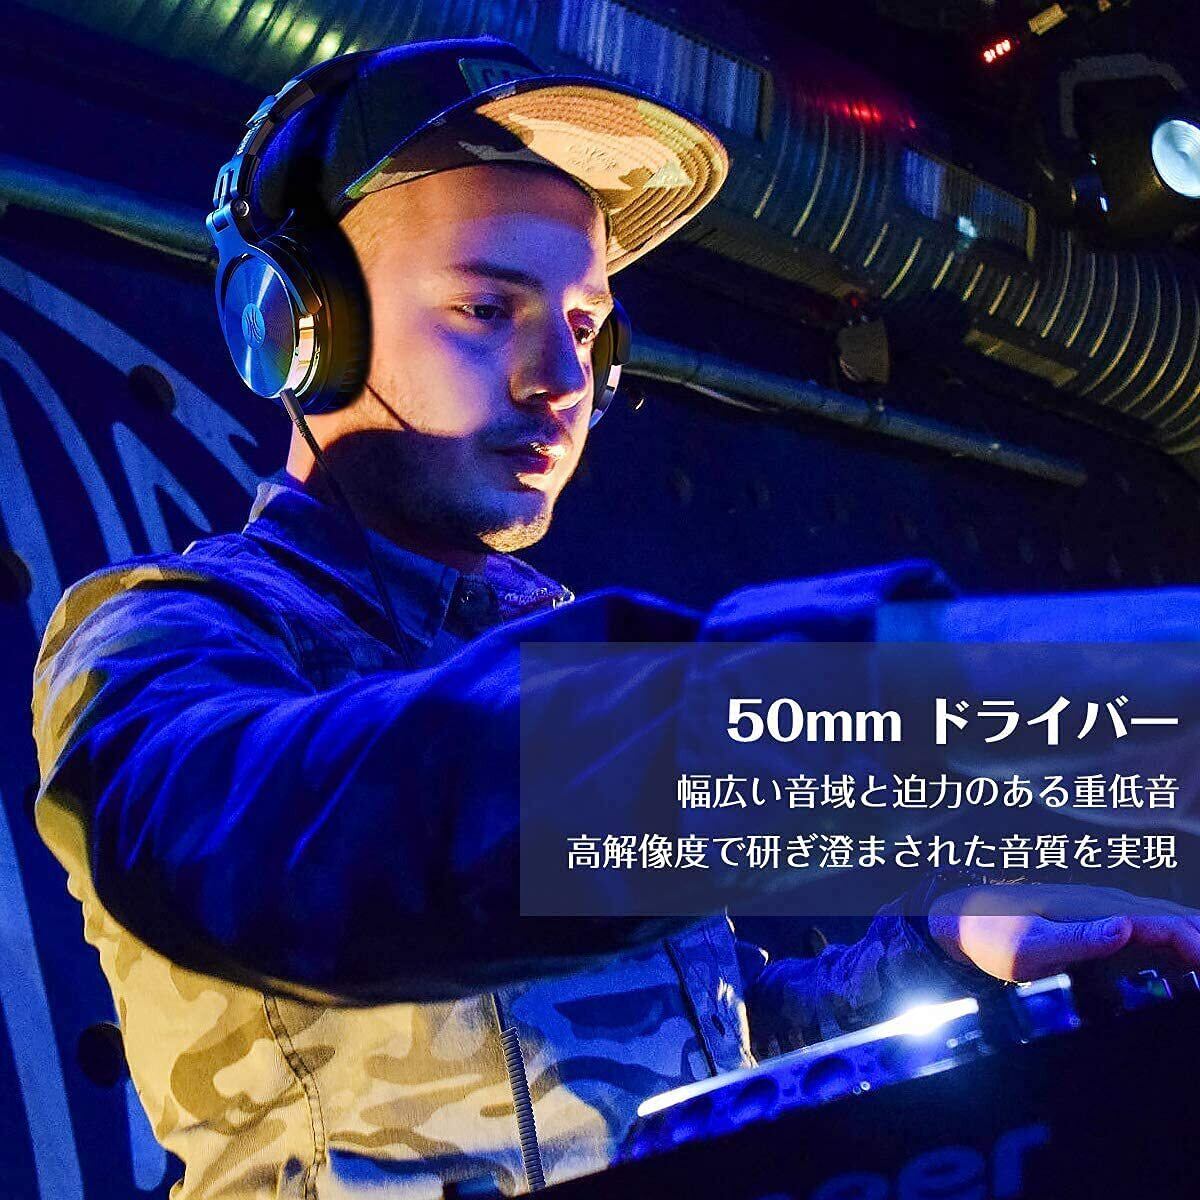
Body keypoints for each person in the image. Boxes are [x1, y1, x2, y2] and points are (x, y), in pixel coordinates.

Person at [30, 37, 1200, 1200]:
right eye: (488, 306)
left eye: (587, 325)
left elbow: (719, 1048)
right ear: (298, 326)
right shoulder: (161, 639)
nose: (563, 379)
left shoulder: (564, 648)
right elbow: (299, 849)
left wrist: (944, 945)